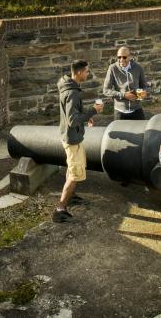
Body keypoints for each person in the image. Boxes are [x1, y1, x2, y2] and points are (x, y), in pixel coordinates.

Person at [54, 59, 104, 223]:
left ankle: (71, 196)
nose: (88, 74)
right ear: (79, 72)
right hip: (72, 139)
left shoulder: (68, 85)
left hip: (70, 136)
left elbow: (74, 114)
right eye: (87, 71)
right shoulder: (72, 93)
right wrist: (92, 112)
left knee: (74, 168)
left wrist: (86, 117)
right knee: (75, 174)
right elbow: (73, 120)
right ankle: (60, 209)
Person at [102, 45, 148, 120]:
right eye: (119, 57)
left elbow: (144, 86)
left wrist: (142, 93)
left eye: (124, 57)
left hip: (136, 109)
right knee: (119, 132)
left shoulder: (138, 67)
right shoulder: (112, 68)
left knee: (142, 130)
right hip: (120, 110)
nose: (121, 59)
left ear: (129, 57)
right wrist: (123, 95)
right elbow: (106, 90)